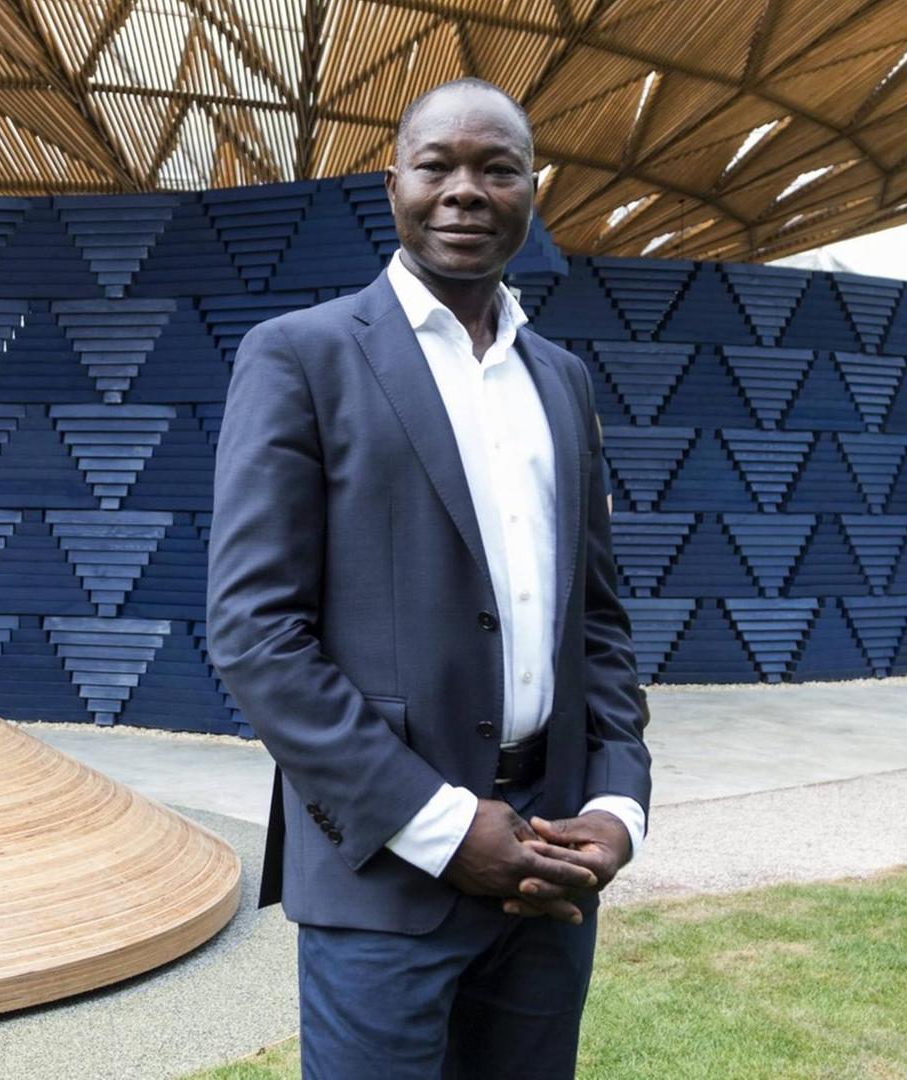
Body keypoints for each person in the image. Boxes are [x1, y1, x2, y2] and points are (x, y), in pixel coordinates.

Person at [206, 77, 651, 1079]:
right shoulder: (300, 358)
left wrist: (617, 805)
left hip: (551, 864)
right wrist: (442, 827)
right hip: (386, 871)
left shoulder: (563, 379)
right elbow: (254, 633)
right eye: (436, 165)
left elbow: (600, 622)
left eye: (497, 169)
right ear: (392, 183)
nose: (465, 191)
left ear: (533, 190)